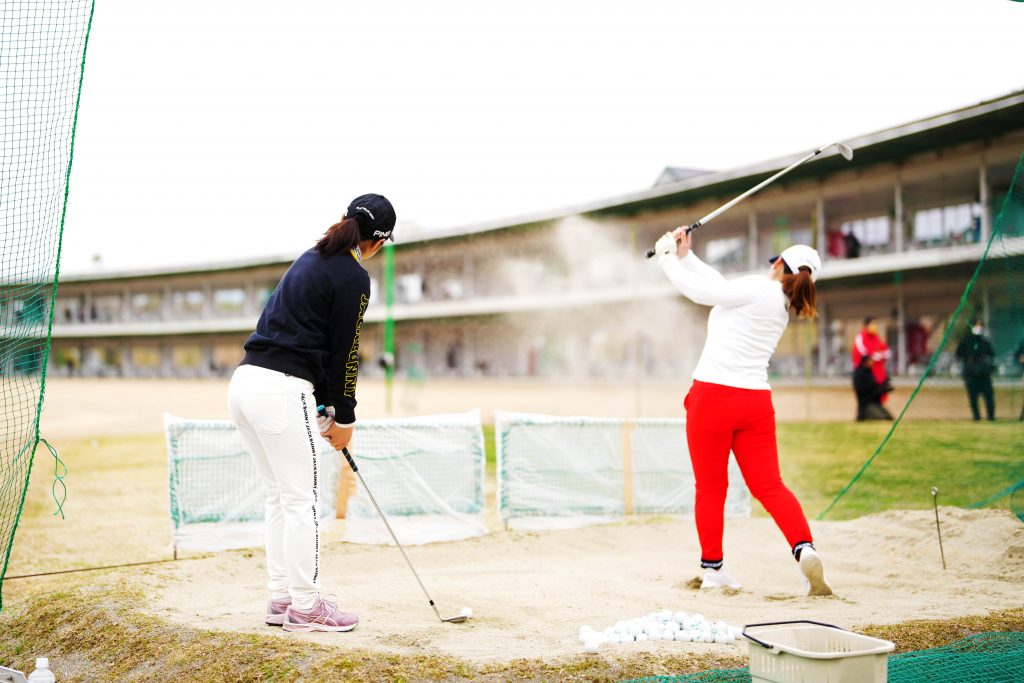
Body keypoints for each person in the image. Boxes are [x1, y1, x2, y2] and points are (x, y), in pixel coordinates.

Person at [227, 193, 396, 632]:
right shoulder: (354, 277)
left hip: (244, 384)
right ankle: (305, 607)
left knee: (279, 499)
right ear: (377, 241)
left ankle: (281, 598)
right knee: (301, 502)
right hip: (280, 392)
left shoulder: (310, 257)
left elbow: (309, 341)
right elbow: (345, 353)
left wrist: (323, 405)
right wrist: (344, 416)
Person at [654, 228, 833, 596]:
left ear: (780, 263)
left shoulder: (759, 288)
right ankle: (804, 548)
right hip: (754, 404)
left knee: (711, 487)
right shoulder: (780, 304)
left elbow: (703, 293)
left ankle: (713, 569)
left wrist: (666, 259)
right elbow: (721, 286)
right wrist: (687, 256)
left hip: (712, 399)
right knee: (769, 485)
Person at [955, 318, 996, 421]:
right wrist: (968, 358)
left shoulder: (985, 342)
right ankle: (976, 417)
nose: (979, 328)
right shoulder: (965, 341)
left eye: (981, 326)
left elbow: (991, 354)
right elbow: (958, 354)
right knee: (973, 397)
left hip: (983, 373)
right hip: (970, 373)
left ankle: (991, 416)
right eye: (977, 325)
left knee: (989, 396)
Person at [852, 317, 892, 403]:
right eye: (872, 324)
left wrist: (880, 355)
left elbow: (884, 351)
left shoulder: (876, 338)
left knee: (879, 394)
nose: (874, 326)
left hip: (877, 371)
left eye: (875, 324)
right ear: (866, 325)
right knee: (866, 396)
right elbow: (863, 352)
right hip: (864, 372)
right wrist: (874, 356)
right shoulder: (860, 337)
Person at [853, 356, 893, 421]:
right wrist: (880, 389)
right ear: (865, 362)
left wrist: (884, 387)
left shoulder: (869, 373)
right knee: (882, 419)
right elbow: (865, 391)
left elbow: (874, 387)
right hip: (867, 405)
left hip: (875, 404)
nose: (872, 362)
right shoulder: (860, 374)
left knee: (889, 418)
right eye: (870, 361)